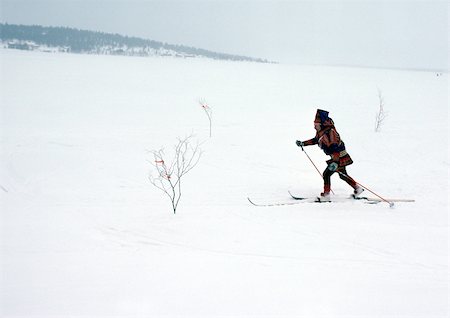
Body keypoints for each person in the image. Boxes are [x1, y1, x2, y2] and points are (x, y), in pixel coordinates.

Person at [296, 109, 363, 200]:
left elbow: (335, 148)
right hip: (337, 157)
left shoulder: (330, 133)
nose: (314, 127)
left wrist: (335, 162)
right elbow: (315, 140)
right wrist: (303, 143)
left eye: (316, 125)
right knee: (342, 175)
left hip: (339, 157)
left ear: (321, 124)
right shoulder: (321, 132)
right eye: (314, 124)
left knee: (327, 174)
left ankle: (326, 195)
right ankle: (357, 189)